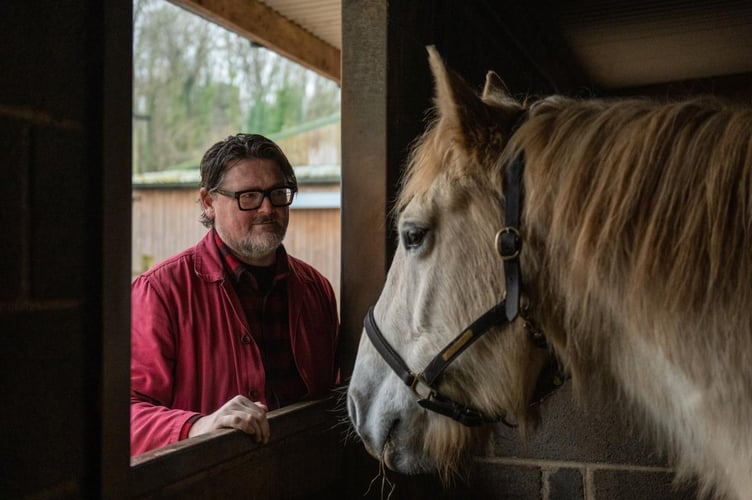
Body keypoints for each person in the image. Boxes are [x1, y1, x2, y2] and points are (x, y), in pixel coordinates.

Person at [130, 133, 340, 456]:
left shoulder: (316, 290)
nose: (268, 209)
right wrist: (198, 426)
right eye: (250, 196)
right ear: (208, 202)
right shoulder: (160, 292)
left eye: (278, 193)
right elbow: (124, 414)